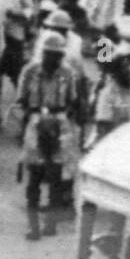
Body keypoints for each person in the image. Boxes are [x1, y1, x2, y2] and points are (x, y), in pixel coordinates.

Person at [17, 31, 83, 240]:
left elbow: (73, 103)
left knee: (55, 176)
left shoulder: (68, 73)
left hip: (60, 122)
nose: (53, 59)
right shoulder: (29, 71)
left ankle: (51, 223)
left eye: (57, 55)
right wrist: (29, 121)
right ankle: (33, 225)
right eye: (49, 54)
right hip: (36, 123)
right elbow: (21, 102)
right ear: (43, 52)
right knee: (34, 176)